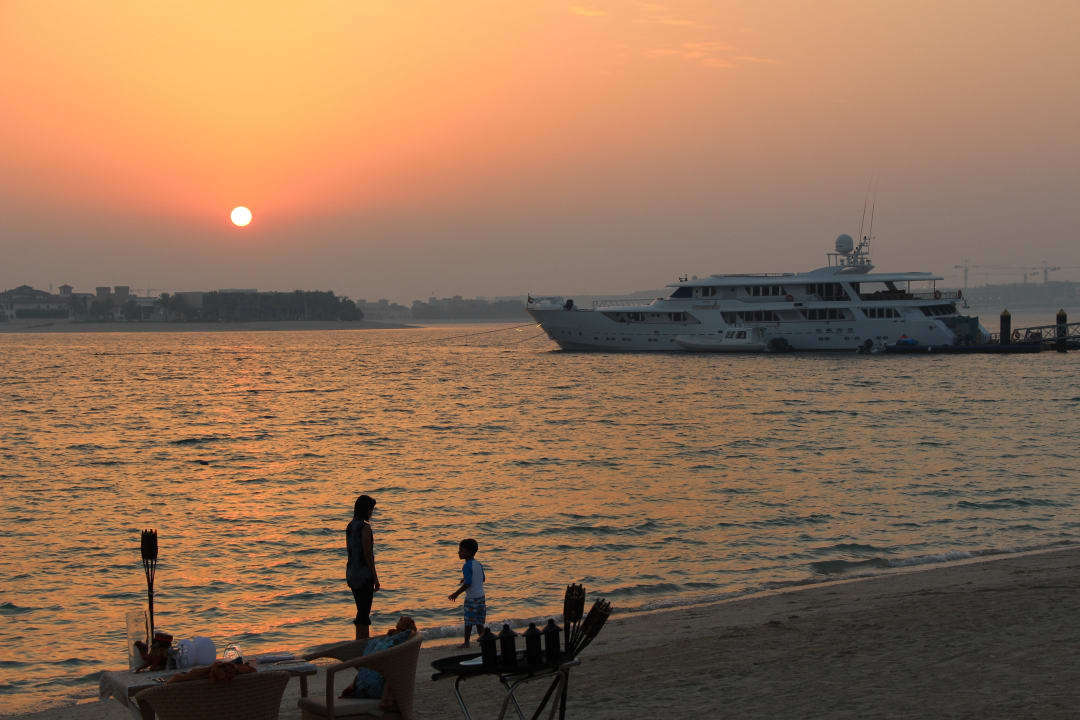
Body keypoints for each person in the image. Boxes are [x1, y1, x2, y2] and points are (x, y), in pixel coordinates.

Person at [346, 494, 380, 639]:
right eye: (371, 509)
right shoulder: (365, 528)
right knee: (364, 612)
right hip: (363, 574)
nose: (372, 513)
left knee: (361, 610)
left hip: (351, 572)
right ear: (366, 510)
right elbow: (367, 554)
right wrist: (375, 577)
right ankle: (362, 642)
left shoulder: (350, 526)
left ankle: (359, 641)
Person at [447, 538, 486, 648]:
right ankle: (483, 640)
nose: (459, 552)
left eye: (461, 550)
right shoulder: (478, 564)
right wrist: (465, 579)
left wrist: (456, 593)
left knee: (468, 621)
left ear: (469, 552)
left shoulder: (466, 566)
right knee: (479, 622)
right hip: (481, 598)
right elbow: (482, 579)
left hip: (471, 599)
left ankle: (466, 642)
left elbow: (468, 583)